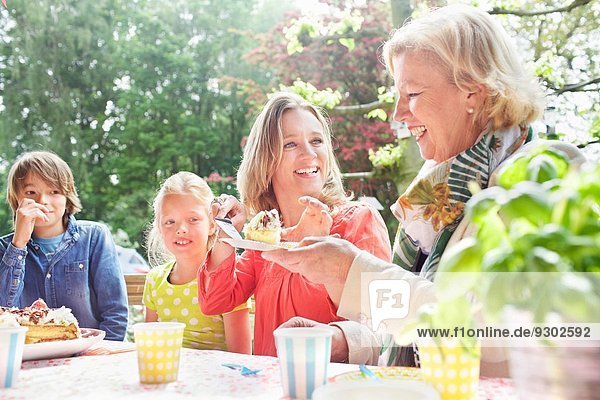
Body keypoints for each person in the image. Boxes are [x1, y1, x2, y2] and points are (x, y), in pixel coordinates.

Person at [262, 5, 586, 371]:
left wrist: (350, 272)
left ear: (473, 94)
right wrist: (343, 341)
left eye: (412, 94)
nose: (398, 114)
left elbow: (495, 332)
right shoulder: (436, 194)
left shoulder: (546, 175)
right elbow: (411, 328)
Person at [198, 92, 391, 360]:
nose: (309, 153)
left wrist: (327, 339)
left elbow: (381, 328)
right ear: (265, 161)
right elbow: (215, 301)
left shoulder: (359, 221)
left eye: (316, 141)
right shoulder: (264, 240)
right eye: (290, 144)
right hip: (274, 388)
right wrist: (225, 233)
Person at [0, 151, 128, 340]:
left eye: (54, 191)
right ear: (16, 199)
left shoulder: (94, 237)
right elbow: (4, 312)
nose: (43, 201)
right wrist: (18, 245)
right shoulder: (5, 248)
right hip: (30, 359)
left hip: (90, 356)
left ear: (67, 197)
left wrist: (103, 352)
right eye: (30, 193)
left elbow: (115, 312)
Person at [144, 171, 251, 353]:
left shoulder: (226, 282)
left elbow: (241, 357)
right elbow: (150, 347)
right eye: (170, 222)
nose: (181, 229)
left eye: (193, 219)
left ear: (212, 225)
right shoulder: (154, 281)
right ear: (159, 228)